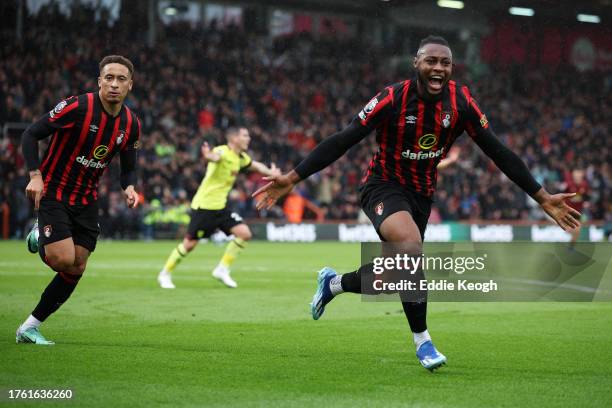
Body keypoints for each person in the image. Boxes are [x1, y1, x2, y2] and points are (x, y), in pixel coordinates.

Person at [253, 36, 581, 371]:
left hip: (422, 194)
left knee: (391, 276)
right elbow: (343, 139)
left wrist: (541, 196)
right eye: (431, 61)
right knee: (411, 247)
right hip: (383, 185)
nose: (438, 68)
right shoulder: (392, 99)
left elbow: (497, 151)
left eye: (445, 63)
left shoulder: (461, 102)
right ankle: (423, 341)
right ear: (416, 64)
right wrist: (293, 178)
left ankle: (333, 284)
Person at [18, 55, 141, 345]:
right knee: (62, 259)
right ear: (99, 81)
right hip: (55, 193)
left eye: (121, 79)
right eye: (108, 78)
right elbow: (30, 134)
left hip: (86, 200)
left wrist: (129, 187)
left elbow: (129, 164)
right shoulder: (77, 107)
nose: (114, 84)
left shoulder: (131, 123)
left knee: (77, 266)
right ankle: (40, 235)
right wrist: (35, 174)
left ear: (130, 85)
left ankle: (28, 327)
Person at [157, 127, 280, 289]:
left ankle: (222, 270)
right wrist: (208, 156)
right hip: (204, 207)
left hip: (220, 208)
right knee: (189, 244)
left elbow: (255, 166)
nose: (248, 138)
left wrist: (271, 172)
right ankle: (164, 274)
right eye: (245, 135)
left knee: (244, 234)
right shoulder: (222, 151)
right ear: (234, 138)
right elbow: (215, 157)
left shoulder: (240, 157)